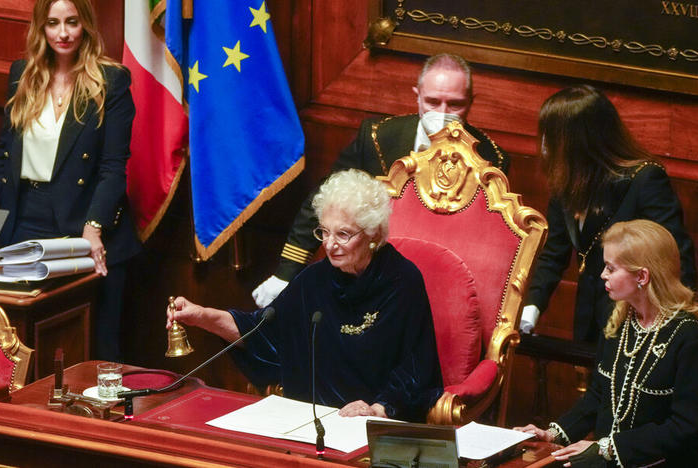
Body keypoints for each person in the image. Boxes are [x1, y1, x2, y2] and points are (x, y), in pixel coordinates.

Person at [168, 169, 443, 422]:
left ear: (372, 233)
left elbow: (415, 370)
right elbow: (262, 331)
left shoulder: (401, 280)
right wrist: (201, 316)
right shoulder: (314, 280)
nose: (330, 245)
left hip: (374, 425)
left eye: (343, 234)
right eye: (324, 232)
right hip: (313, 422)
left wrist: (378, 410)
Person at [252, 53, 510, 307]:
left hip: (441, 286)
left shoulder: (491, 159)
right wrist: (285, 272)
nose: (442, 113)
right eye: (432, 102)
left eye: (455, 105)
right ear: (417, 96)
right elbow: (327, 197)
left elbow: (484, 245)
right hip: (370, 274)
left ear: (471, 102)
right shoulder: (378, 137)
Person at [0, 0, 141, 361]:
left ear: (86, 25)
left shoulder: (111, 80)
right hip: (22, 220)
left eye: (72, 22)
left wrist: (93, 229)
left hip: (85, 223)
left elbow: (113, 167)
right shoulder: (22, 74)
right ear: (41, 28)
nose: (63, 33)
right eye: (53, 23)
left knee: (95, 348)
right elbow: (3, 159)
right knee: (21, 343)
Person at [515, 219, 698, 467]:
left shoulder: (688, 335)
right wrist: (553, 434)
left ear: (642, 276)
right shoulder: (619, 320)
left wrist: (610, 448)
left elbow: (685, 427)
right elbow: (599, 395)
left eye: (611, 268)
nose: (603, 275)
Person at [520, 85, 695, 343]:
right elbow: (553, 254)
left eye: (551, 136)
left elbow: (677, 260)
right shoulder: (564, 182)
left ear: (579, 140)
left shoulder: (645, 180)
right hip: (588, 319)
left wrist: (673, 336)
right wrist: (529, 311)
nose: (544, 145)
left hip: (636, 325)